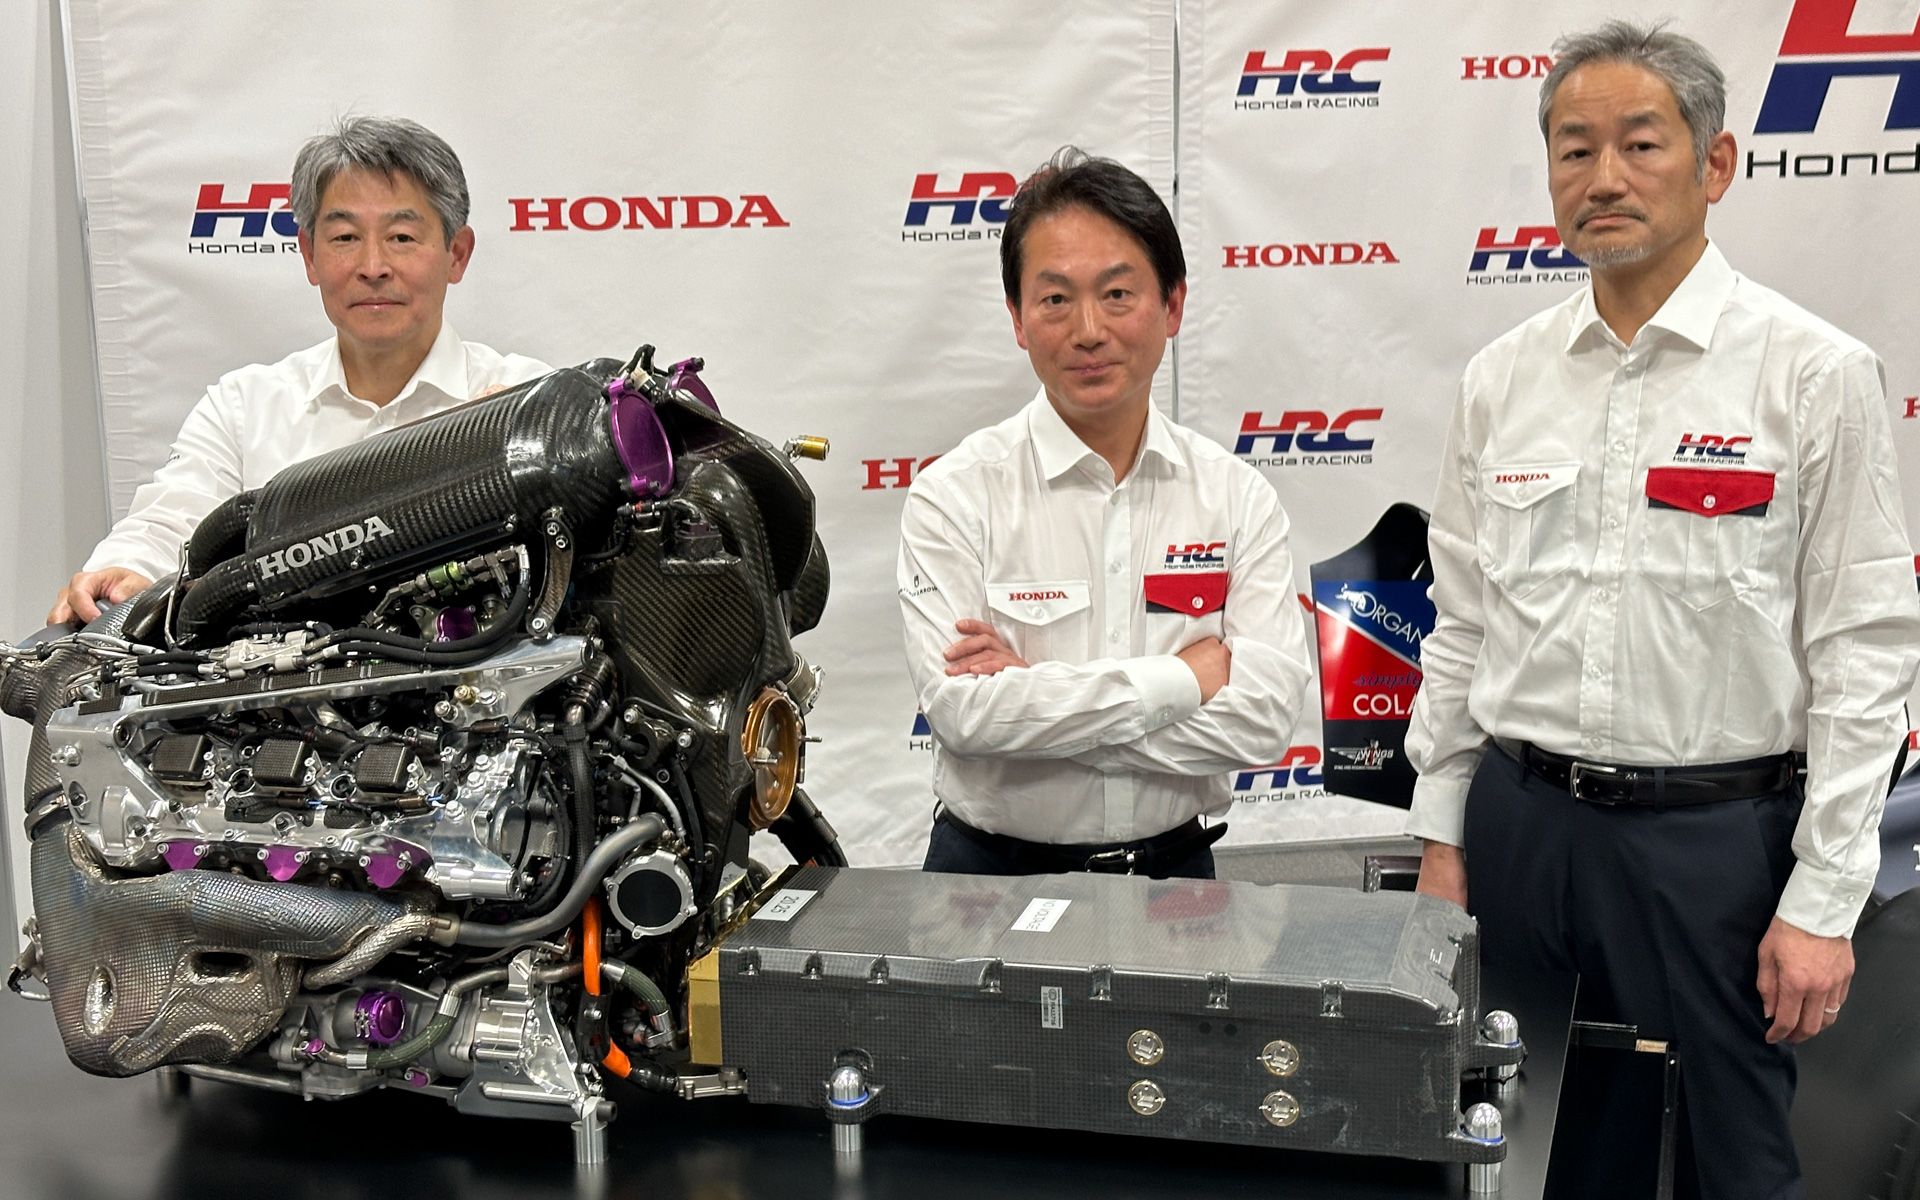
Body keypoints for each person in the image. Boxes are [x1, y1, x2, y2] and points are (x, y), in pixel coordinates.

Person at [1404, 21, 1920, 1199]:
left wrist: (1823, 899)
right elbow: (1465, 626)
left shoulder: (1812, 374)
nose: (1605, 176)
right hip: (1523, 831)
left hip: (1715, 849)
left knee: (1733, 1164)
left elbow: (1864, 650)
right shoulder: (1502, 380)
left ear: (1715, 164)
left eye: (1641, 144)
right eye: (1575, 149)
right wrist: (1443, 839)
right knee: (1522, 1149)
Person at [897, 148, 1312, 880]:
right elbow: (966, 716)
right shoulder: (954, 495)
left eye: (1117, 293)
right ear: (1018, 319)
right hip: (987, 880)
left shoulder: (1236, 498)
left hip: (1174, 879)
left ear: (1173, 306)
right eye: (1055, 299)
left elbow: (1262, 720)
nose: (1088, 329)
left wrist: (1038, 700)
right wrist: (1182, 681)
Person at [50, 115, 549, 625]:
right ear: (309, 255)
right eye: (345, 238)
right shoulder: (244, 407)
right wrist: (124, 570)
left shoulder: (528, 404)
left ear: (456, 255)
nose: (373, 266)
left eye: (401, 237)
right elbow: (167, 523)